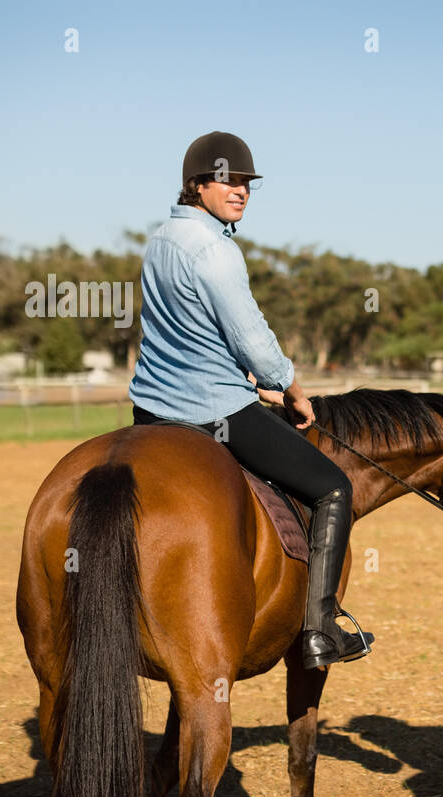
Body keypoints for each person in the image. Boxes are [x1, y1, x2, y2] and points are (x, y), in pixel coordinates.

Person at [128, 130, 371, 670]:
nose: (239, 190)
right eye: (227, 180)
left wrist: (248, 381)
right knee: (334, 486)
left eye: (245, 183)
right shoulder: (215, 249)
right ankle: (318, 632)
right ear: (197, 185)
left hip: (150, 412)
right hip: (212, 414)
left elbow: (188, 333)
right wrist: (287, 384)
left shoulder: (160, 240)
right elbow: (249, 334)